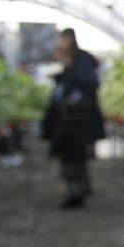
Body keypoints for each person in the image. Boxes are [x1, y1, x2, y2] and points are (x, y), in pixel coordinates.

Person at [41, 28, 106, 208]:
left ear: (69, 40)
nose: (59, 44)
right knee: (75, 156)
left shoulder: (81, 61)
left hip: (75, 119)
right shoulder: (74, 62)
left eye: (61, 40)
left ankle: (76, 194)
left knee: (73, 156)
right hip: (73, 118)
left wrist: (72, 100)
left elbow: (88, 86)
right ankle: (78, 190)